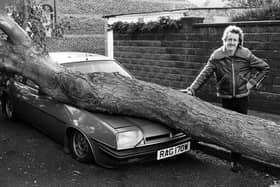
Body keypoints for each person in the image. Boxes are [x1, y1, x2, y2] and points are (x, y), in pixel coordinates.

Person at [181, 25, 270, 172]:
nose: (231, 42)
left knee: (240, 129)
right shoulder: (217, 56)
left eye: (235, 40)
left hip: (242, 98)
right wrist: (192, 89)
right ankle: (233, 157)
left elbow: (264, 67)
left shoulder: (245, 55)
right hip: (226, 98)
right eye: (229, 39)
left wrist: (252, 83)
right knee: (230, 129)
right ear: (225, 40)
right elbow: (205, 74)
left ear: (239, 41)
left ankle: (236, 160)